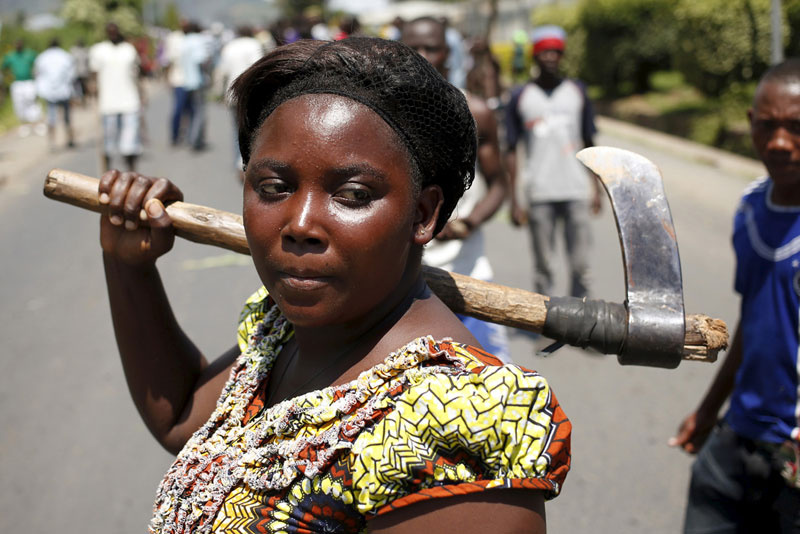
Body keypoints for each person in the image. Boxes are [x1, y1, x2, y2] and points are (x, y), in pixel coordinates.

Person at [96, 38, 570, 533]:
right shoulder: (283, 332)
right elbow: (183, 416)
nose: (299, 223)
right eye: (273, 188)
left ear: (424, 214)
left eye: (353, 194)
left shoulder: (457, 423)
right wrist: (129, 265)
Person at [670, 59, 800, 532]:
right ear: (750, 124)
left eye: (796, 128)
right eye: (767, 127)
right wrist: (708, 412)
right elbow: (758, 319)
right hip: (738, 438)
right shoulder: (749, 209)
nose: (780, 142)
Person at [402, 16, 511, 362]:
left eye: (430, 48)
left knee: (493, 388)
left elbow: (499, 186)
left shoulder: (476, 112)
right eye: (412, 48)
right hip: (397, 284)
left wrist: (466, 223)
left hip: (465, 276)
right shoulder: (374, 116)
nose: (421, 56)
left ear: (447, 53)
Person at [505, 25, 602, 300]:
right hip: (539, 193)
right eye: (544, 52)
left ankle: (584, 324)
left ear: (562, 56)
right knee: (544, 267)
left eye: (556, 52)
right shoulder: (520, 97)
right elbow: (511, 149)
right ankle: (548, 326)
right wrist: (514, 198)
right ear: (535, 56)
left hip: (576, 190)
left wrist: (596, 188)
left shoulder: (577, 92)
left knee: (581, 265)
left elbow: (589, 140)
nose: (550, 57)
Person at [90, 23, 143, 172]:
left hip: (130, 101)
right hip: (108, 103)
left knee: (130, 143)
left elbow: (136, 75)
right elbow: (94, 75)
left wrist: (142, 94)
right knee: (108, 143)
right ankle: (107, 174)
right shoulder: (99, 50)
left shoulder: (128, 50)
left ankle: (132, 174)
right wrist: (92, 92)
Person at [214, 25, 265, 175]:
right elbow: (258, 68)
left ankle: (239, 161)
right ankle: (250, 161)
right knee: (253, 127)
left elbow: (222, 72)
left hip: (233, 93)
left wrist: (219, 93)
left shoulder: (229, 47)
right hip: (251, 93)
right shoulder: (254, 44)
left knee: (237, 129)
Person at [33, 38, 76, 149]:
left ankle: (52, 142)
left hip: (49, 93)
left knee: (51, 117)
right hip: (64, 91)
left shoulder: (42, 57)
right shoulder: (65, 56)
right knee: (67, 117)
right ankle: (70, 139)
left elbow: (37, 73)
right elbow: (72, 75)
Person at [180, 22, 212, 151]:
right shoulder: (198, 41)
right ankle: (195, 140)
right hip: (198, 81)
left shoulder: (184, 41)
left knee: (190, 111)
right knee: (200, 112)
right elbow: (200, 60)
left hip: (187, 81)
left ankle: (190, 137)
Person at [1, 39, 42, 137]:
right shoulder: (10, 56)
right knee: (19, 104)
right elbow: (3, 67)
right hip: (17, 83)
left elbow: (39, 63)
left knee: (32, 102)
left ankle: (37, 124)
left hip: (29, 82)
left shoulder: (29, 54)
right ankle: (25, 126)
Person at [70, 39, 90, 105]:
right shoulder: (74, 51)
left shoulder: (85, 51)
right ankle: (78, 100)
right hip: (77, 72)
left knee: (83, 87)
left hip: (83, 72)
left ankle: (83, 100)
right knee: (77, 87)